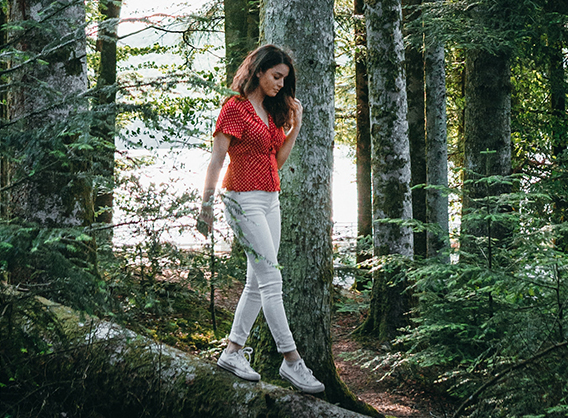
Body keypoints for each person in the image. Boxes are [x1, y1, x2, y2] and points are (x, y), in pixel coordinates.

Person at [198, 45, 325, 394]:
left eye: (285, 79)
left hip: (270, 199)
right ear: (258, 72)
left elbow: (277, 161)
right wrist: (206, 205)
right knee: (272, 280)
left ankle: (233, 352)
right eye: (276, 76)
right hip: (242, 200)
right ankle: (291, 361)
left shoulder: (269, 114)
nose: (281, 85)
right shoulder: (234, 109)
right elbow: (216, 160)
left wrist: (294, 127)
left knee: (257, 282)